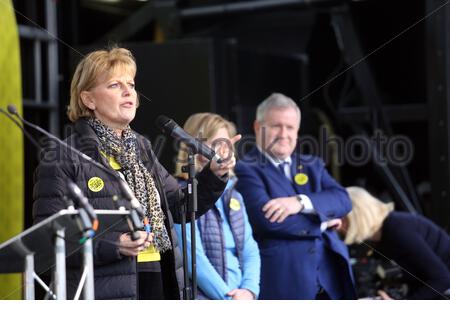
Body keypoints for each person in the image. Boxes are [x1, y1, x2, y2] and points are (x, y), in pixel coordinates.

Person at [32, 47, 236, 299]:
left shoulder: (141, 149)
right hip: (105, 291)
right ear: (89, 99)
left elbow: (179, 208)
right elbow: (49, 239)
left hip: (159, 275)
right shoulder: (63, 156)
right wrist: (113, 245)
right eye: (115, 85)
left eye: (131, 84)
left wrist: (214, 174)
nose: (129, 91)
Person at [234, 92, 356, 299]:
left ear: (297, 131)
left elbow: (343, 200)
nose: (284, 134)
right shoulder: (246, 169)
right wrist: (323, 222)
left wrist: (300, 202)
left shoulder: (312, 165)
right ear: (257, 127)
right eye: (276, 126)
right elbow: (268, 222)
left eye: (290, 127)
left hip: (332, 278)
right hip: (285, 281)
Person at [173, 113, 260, 300]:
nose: (223, 150)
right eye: (215, 142)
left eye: (227, 143)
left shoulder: (234, 194)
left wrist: (250, 290)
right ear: (193, 146)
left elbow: (250, 249)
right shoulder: (180, 192)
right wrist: (229, 299)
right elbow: (192, 257)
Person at [340, 186, 450, 299]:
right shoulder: (383, 235)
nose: (338, 226)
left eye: (342, 218)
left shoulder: (398, 231)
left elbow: (441, 279)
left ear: (357, 216)